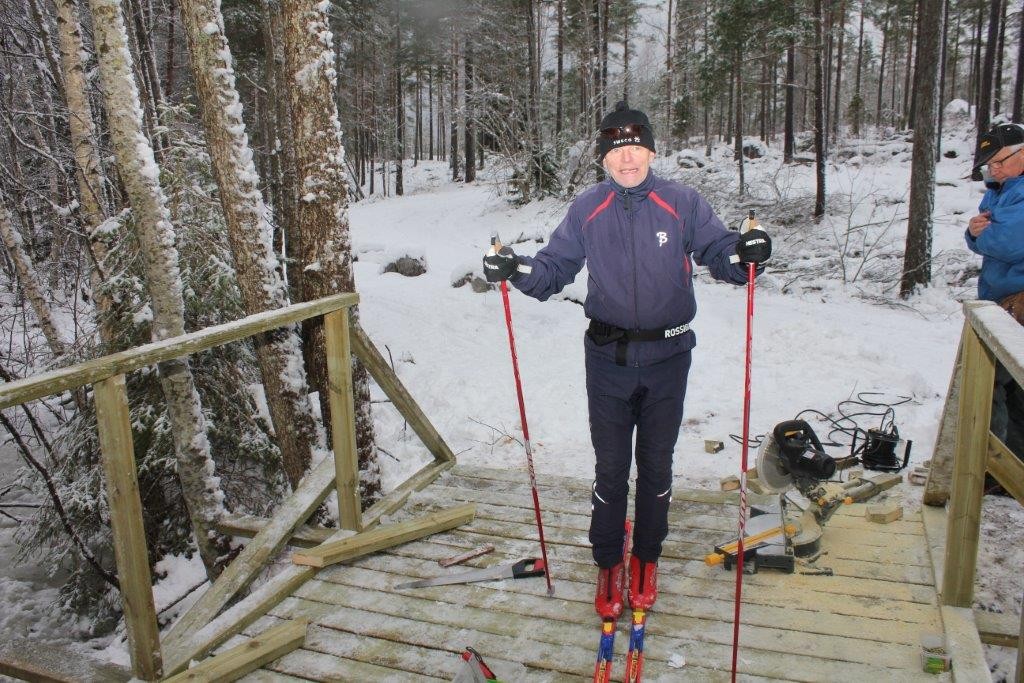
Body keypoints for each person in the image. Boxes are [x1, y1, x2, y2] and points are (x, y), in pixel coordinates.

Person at [482, 101, 771, 620]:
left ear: (651, 151)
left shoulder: (681, 201)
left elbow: (719, 250)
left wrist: (745, 254)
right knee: (611, 467)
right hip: (608, 360)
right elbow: (552, 270)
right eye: (617, 152)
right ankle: (608, 559)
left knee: (656, 464)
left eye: (636, 149)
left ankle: (646, 557)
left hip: (668, 357)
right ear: (604, 160)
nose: (628, 160)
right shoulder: (587, 208)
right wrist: (515, 268)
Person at [966, 122, 1024, 470]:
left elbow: (1009, 244)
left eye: (1001, 160)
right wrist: (974, 234)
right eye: (990, 163)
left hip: (1017, 301)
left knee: (992, 384)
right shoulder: (999, 189)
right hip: (998, 301)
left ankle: (993, 468)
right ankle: (1009, 465)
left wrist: (981, 236)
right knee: (1006, 387)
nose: (995, 168)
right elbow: (978, 231)